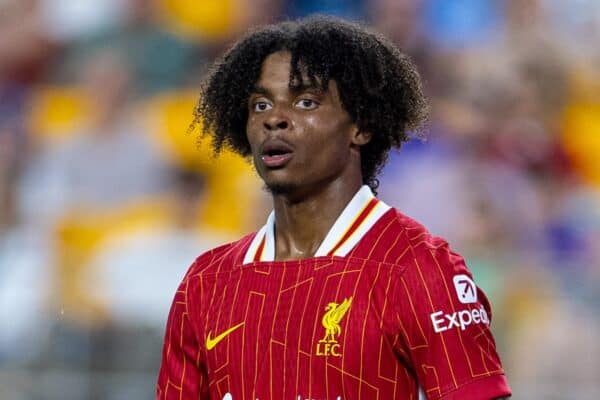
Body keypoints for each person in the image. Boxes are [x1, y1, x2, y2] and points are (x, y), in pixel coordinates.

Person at [157, 16, 512, 400]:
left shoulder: (419, 270)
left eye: (305, 101)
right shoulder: (207, 282)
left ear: (360, 126)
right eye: (260, 104)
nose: (274, 118)